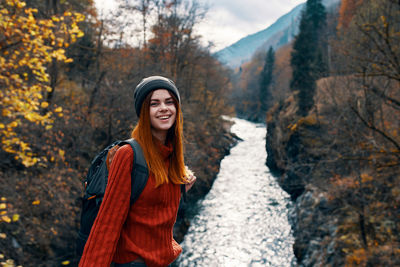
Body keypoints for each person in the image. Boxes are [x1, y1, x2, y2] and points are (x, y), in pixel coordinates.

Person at [79, 76, 196, 267]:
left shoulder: (172, 157)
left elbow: (154, 217)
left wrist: (179, 189)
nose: (164, 108)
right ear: (143, 111)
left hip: (162, 261)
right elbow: (107, 225)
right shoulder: (128, 155)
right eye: (154, 103)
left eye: (169, 102)